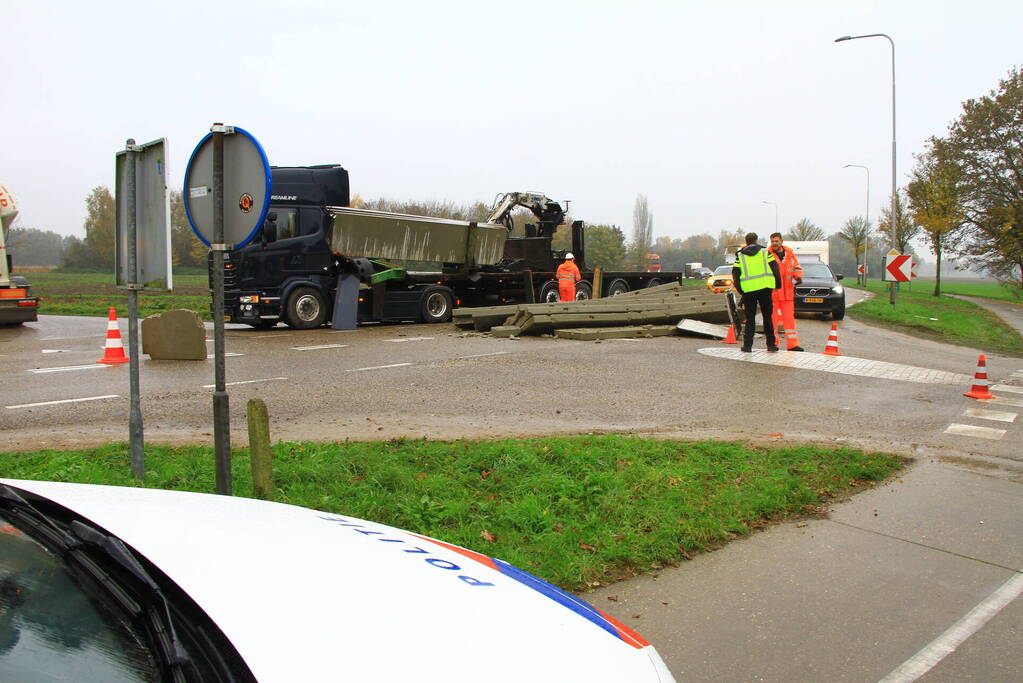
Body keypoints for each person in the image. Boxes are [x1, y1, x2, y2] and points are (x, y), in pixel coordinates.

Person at [731, 232, 781, 352]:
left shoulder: (740, 256)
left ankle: (747, 346)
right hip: (765, 289)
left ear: (746, 241)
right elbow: (775, 268)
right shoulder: (765, 252)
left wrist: (741, 291)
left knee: (750, 319)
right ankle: (771, 344)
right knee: (767, 317)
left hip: (748, 291)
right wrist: (778, 284)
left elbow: (735, 274)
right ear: (756, 240)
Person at [768, 232, 804, 352]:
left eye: (776, 241)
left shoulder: (789, 254)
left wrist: (798, 276)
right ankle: (772, 343)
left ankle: (792, 344)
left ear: (781, 241)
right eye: (772, 241)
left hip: (787, 292)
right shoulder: (767, 254)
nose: (774, 243)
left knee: (789, 320)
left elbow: (797, 267)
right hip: (773, 293)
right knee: (772, 320)